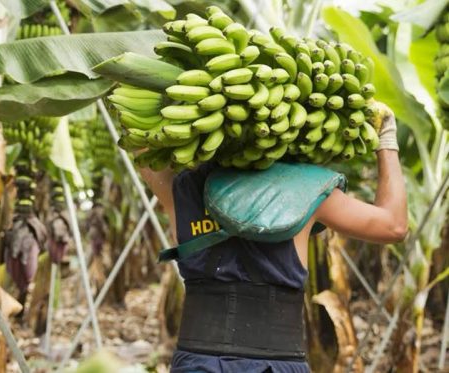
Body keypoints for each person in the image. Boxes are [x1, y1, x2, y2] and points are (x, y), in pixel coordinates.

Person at [139, 103, 407, 373]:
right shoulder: (308, 189)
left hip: (199, 363)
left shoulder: (182, 187)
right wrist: (385, 138)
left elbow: (140, 140)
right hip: (275, 365)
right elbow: (393, 226)